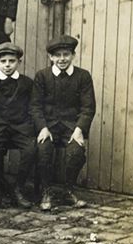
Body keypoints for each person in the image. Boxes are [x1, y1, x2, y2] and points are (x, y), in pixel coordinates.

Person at [33, 35, 96, 211]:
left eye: (66, 54)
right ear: (51, 57)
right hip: (49, 127)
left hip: (71, 127)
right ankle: (46, 192)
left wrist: (79, 129)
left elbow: (88, 107)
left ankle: (68, 191)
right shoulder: (42, 76)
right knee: (43, 150)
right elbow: (35, 106)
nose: (62, 59)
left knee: (75, 152)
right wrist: (42, 128)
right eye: (57, 55)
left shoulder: (83, 76)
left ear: (73, 55)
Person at [0, 42, 39, 210]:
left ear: (18, 63)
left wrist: (26, 125)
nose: (7, 65)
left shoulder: (27, 83)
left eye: (11, 61)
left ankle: (18, 188)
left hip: (20, 128)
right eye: (3, 61)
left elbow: (32, 106)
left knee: (30, 149)